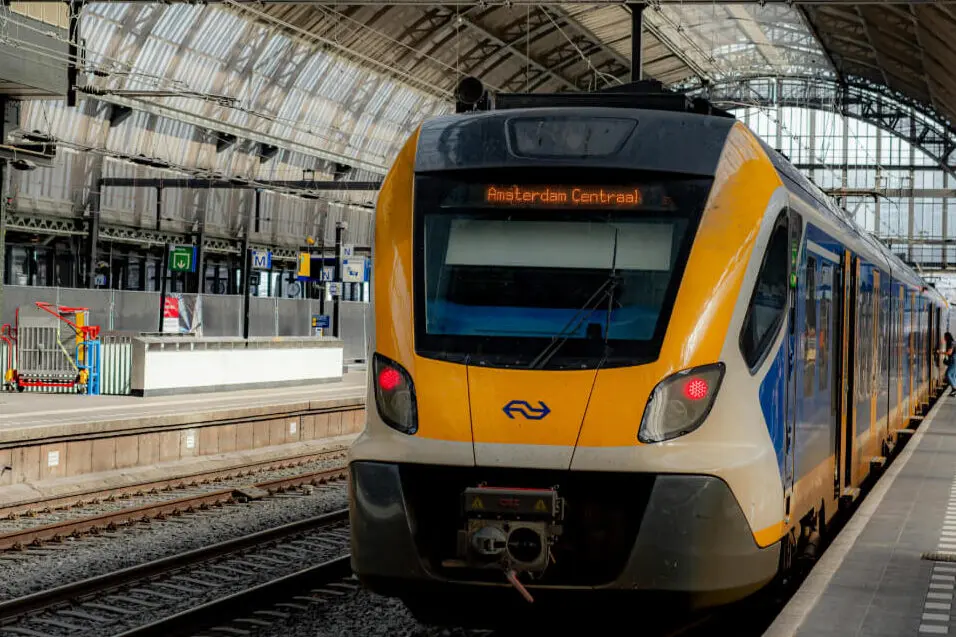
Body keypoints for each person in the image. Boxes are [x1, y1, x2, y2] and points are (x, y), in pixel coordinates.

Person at [939, 332, 956, 397]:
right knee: (953, 375)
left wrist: (940, 352)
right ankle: (953, 390)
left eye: (945, 336)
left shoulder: (951, 342)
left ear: (947, 336)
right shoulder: (953, 342)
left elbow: (949, 352)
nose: (944, 338)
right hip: (954, 359)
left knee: (948, 374)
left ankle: (954, 388)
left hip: (954, 359)